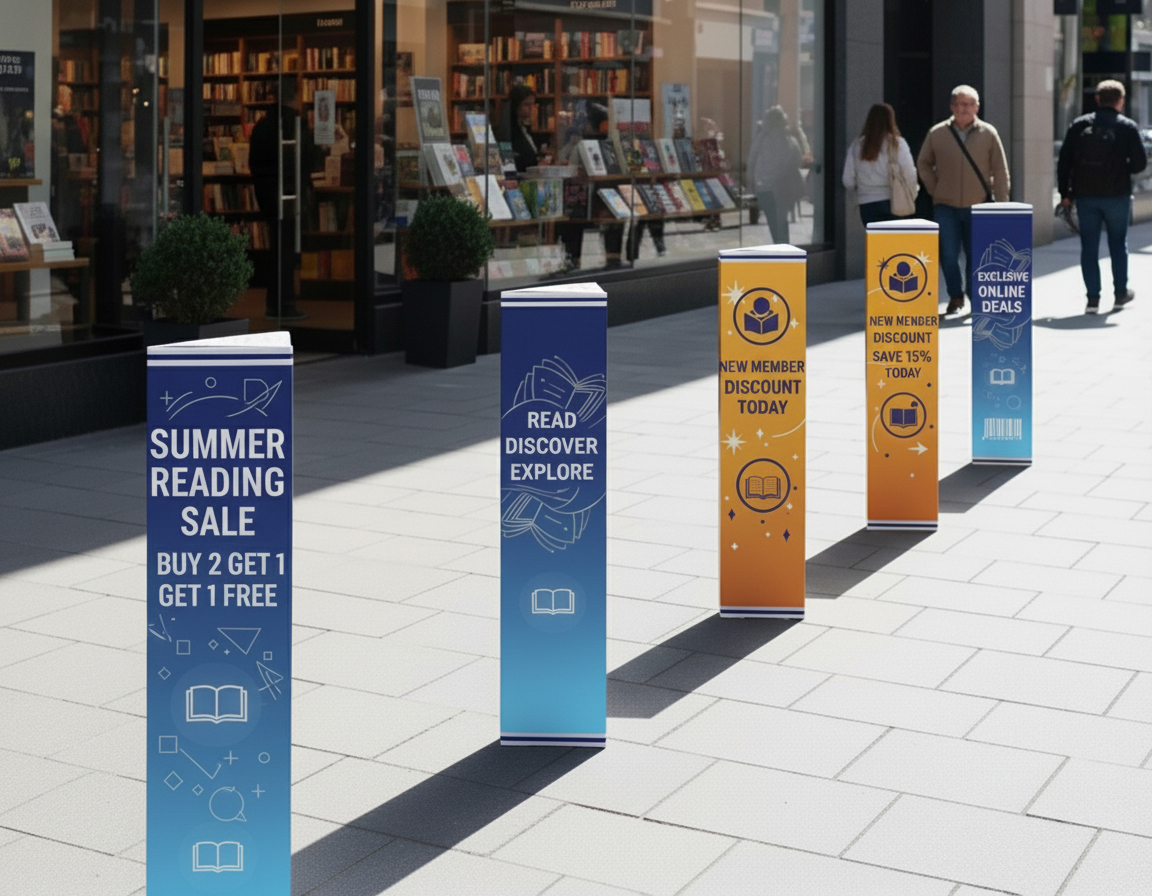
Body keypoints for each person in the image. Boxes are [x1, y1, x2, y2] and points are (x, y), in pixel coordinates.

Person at [917, 85, 1010, 316]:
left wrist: (1003, 205)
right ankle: (955, 296)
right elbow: (923, 163)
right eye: (958, 104)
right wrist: (935, 189)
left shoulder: (988, 133)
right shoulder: (937, 133)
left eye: (968, 105)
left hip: (978, 205)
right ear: (951, 106)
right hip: (945, 206)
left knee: (976, 255)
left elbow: (1000, 170)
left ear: (977, 107)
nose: (962, 109)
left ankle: (974, 296)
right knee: (948, 254)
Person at [1057, 79, 1147, 314]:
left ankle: (1093, 300)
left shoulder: (1079, 125)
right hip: (1117, 195)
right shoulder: (1127, 127)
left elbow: (1064, 161)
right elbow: (1140, 164)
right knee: (1118, 244)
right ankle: (1120, 294)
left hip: (1086, 196)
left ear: (1097, 99)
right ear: (1120, 101)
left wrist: (1065, 193)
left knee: (1089, 247)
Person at [249, 79, 309, 321]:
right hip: (289, 196)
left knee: (278, 250)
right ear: (294, 95)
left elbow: (254, 163)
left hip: (268, 195)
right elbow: (304, 161)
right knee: (287, 252)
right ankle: (284, 303)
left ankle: (275, 303)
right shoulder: (295, 124)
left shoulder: (262, 125)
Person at [842, 103, 917, 225]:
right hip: (893, 201)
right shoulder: (898, 143)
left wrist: (859, 190)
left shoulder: (857, 145)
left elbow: (847, 180)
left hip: (866, 204)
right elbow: (910, 172)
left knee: (874, 242)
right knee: (892, 243)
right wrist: (911, 194)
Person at [746, 107, 805, 244]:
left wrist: (751, 183)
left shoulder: (760, 140)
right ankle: (784, 249)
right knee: (782, 221)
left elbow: (752, 161)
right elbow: (798, 161)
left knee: (773, 222)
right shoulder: (790, 141)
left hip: (764, 187)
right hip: (783, 187)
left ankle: (779, 247)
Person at [501, 84, 540, 173]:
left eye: (532, 105)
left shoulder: (525, 129)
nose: (531, 109)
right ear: (516, 106)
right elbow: (519, 162)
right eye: (526, 105)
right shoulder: (508, 132)